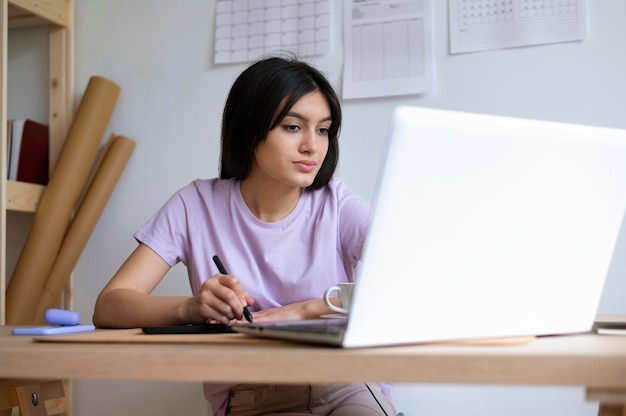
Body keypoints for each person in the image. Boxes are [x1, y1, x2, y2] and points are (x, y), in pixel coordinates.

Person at [93, 55, 397, 416]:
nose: (313, 147)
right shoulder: (196, 204)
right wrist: (191, 308)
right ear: (249, 129)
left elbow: (411, 282)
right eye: (292, 127)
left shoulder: (336, 203)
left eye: (323, 129)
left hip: (344, 383)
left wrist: (304, 311)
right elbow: (110, 305)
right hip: (253, 396)